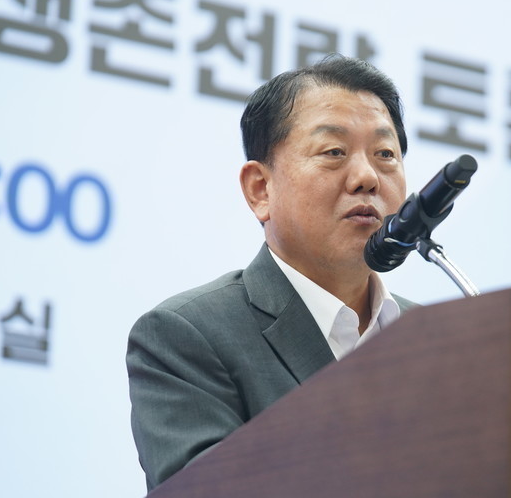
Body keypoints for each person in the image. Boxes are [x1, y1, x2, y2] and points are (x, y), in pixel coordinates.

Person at [126, 55, 416, 492]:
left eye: (385, 154)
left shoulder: (439, 338)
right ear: (261, 189)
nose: (366, 177)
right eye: (334, 152)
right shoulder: (187, 335)